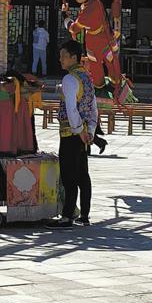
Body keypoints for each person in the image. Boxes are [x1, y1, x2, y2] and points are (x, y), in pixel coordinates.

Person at [47, 40, 98, 228]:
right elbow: (93, 107)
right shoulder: (87, 77)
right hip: (84, 133)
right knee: (83, 174)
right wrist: (90, 130)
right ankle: (84, 214)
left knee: (69, 175)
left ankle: (67, 216)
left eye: (64, 56)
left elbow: (71, 108)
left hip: (71, 133)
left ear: (74, 57)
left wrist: (79, 130)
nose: (60, 60)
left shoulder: (70, 79)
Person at [64, 0, 124, 91]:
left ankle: (100, 86)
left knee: (96, 65)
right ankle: (116, 84)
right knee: (112, 62)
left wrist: (65, 17)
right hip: (107, 37)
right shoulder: (96, 1)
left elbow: (74, 28)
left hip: (94, 42)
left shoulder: (88, 11)